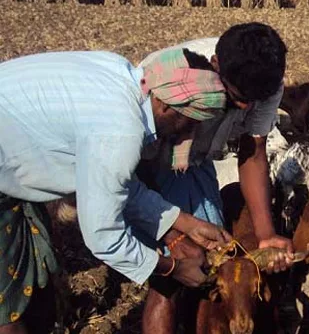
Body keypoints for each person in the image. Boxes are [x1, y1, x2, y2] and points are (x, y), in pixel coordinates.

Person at [0, 50, 232, 334]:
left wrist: (183, 223)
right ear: (165, 106)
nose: (190, 134)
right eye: (191, 121)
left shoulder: (124, 78)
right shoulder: (122, 130)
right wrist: (171, 267)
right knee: (9, 309)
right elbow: (103, 235)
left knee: (29, 299)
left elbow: (113, 184)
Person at [135, 23, 295, 334]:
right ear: (215, 66)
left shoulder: (264, 82)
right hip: (152, 166)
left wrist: (265, 236)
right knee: (171, 274)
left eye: (254, 100)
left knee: (208, 262)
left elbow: (253, 149)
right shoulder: (168, 78)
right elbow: (136, 160)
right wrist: (168, 229)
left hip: (198, 164)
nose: (246, 107)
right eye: (237, 98)